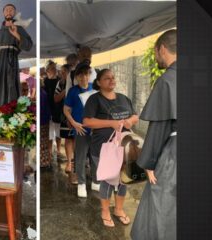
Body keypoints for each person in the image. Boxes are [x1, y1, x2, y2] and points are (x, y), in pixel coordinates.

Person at [131, 29, 177, 240]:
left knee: (162, 210)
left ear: (162, 49)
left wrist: (149, 162)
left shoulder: (168, 80)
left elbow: (160, 126)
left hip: (174, 155)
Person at [83, 68, 139, 227]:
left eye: (113, 77)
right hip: (103, 148)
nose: (112, 80)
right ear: (99, 82)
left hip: (124, 147)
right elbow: (87, 121)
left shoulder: (123, 98)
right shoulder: (94, 100)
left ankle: (119, 209)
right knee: (108, 180)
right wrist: (111, 123)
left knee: (123, 178)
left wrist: (130, 121)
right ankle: (105, 211)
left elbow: (135, 116)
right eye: (107, 78)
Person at [0, 3, 33, 105]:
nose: (9, 12)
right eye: (6, 10)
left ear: (14, 13)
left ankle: (10, 110)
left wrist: (16, 34)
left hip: (12, 61)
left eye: (11, 10)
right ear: (3, 13)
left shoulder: (19, 29)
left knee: (11, 85)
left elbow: (28, 45)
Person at [63, 61, 96, 197]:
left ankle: (96, 180)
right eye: (81, 75)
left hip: (94, 129)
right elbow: (66, 110)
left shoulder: (95, 88)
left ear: (90, 75)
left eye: (87, 74)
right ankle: (81, 183)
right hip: (80, 129)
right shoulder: (73, 91)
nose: (84, 78)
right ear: (76, 77)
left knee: (95, 156)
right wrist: (74, 123)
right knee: (81, 157)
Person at [54, 64, 76, 182]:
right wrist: (65, 91)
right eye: (61, 72)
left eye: (64, 72)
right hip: (65, 114)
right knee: (68, 139)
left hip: (77, 114)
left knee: (77, 139)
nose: (62, 74)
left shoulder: (76, 81)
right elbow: (56, 99)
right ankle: (69, 163)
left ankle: (77, 162)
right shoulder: (60, 83)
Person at [44, 61, 63, 160]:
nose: (54, 70)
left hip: (58, 109)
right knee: (49, 133)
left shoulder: (60, 81)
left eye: (55, 68)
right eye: (52, 68)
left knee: (58, 132)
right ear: (47, 70)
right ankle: (49, 152)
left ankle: (59, 150)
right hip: (48, 110)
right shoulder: (44, 82)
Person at [40, 80, 52, 169]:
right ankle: (45, 161)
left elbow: (40, 109)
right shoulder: (43, 92)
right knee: (44, 142)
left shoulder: (41, 94)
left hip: (42, 121)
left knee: (43, 142)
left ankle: (44, 162)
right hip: (45, 120)